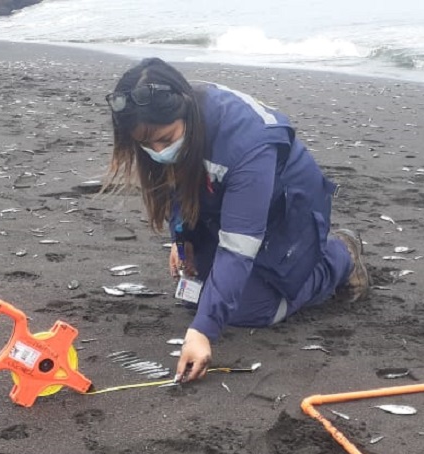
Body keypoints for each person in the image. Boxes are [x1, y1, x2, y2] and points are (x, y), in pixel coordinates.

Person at [105, 58, 369, 384]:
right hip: (222, 204)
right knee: (197, 291)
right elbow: (176, 183)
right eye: (146, 145)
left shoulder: (248, 143)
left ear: (185, 112)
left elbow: (238, 248)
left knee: (250, 311)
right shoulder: (169, 127)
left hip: (288, 211)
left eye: (165, 139)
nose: (157, 151)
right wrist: (181, 237)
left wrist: (203, 332)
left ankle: (339, 256)